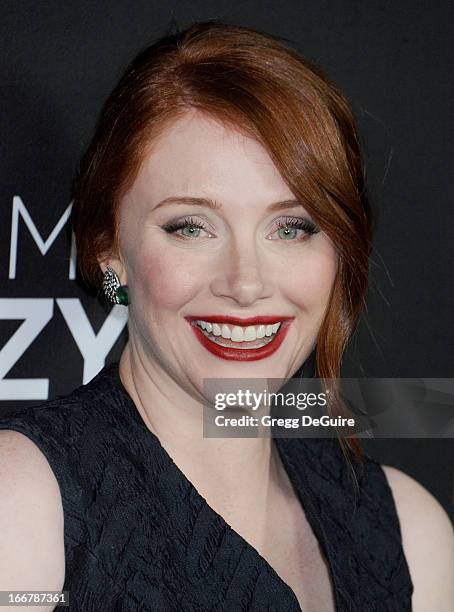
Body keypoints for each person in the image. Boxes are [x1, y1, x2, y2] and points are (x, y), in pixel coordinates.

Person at [0, 20, 453, 612]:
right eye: (191, 226)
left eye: (292, 228)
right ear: (111, 249)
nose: (246, 283)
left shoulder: (410, 534)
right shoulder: (26, 504)